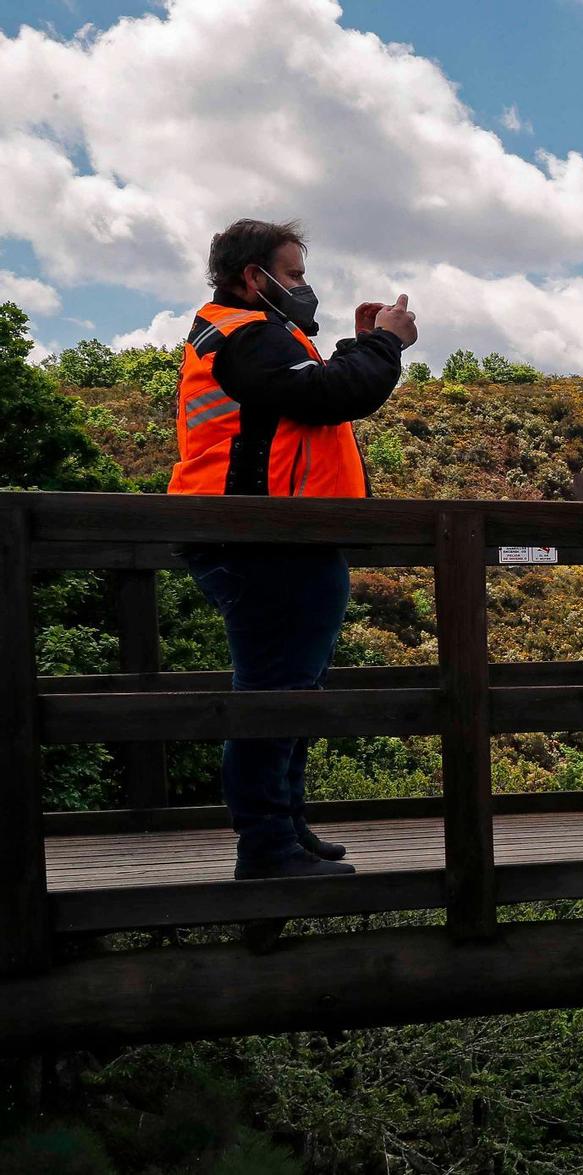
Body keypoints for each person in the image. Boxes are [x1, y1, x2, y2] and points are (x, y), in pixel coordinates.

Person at [168, 218, 417, 879]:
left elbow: (316, 383)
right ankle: (268, 849)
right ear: (256, 276)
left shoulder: (255, 336)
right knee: (273, 695)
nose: (305, 286)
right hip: (260, 540)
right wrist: (386, 344)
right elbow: (332, 394)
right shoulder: (245, 336)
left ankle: (286, 827)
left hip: (283, 538)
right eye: (296, 273)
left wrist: (360, 344)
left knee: (292, 691)